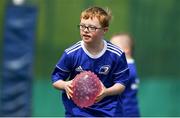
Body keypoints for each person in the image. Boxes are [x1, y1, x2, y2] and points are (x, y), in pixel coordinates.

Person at [51, 6, 129, 117]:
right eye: (82, 26)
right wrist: (65, 84)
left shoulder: (116, 54)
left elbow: (121, 83)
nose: (85, 30)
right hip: (79, 111)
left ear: (104, 30)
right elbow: (56, 79)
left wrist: (106, 92)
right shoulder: (71, 53)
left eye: (92, 27)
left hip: (108, 110)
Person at [110, 33, 140, 117]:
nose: (110, 50)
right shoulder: (131, 66)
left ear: (126, 50)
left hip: (124, 113)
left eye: (113, 47)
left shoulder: (126, 69)